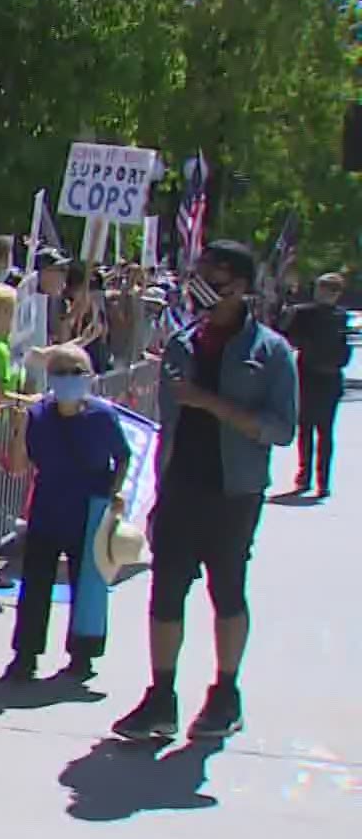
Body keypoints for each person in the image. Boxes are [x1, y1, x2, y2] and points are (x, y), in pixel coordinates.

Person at [113, 241, 298, 742]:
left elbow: (282, 429)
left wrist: (210, 404)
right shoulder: (182, 343)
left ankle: (225, 691)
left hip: (234, 492)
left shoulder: (272, 352)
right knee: (166, 591)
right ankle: (160, 696)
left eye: (212, 280)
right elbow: (168, 423)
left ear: (239, 287)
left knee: (227, 590)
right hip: (181, 487)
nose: (200, 290)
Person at [5, 345, 129, 681]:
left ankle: (83, 654)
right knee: (36, 584)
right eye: (61, 371)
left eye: (76, 371)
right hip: (47, 508)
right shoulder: (39, 414)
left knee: (86, 584)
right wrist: (18, 429)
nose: (68, 378)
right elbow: (19, 465)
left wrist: (116, 492)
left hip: (89, 510)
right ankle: (26, 654)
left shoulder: (103, 415)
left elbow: (123, 456)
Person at [281, 272, 349, 496]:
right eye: (322, 289)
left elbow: (343, 346)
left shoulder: (340, 316)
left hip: (330, 378)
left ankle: (323, 481)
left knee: (326, 432)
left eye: (331, 291)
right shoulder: (303, 313)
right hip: (307, 376)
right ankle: (304, 477)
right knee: (306, 430)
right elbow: (288, 337)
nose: (326, 294)